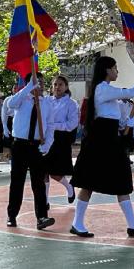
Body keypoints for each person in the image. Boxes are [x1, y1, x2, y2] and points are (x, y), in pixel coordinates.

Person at [70, 56, 134, 237]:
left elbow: (118, 118)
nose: (117, 71)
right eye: (115, 68)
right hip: (99, 142)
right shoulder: (102, 89)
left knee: (121, 179)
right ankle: (77, 223)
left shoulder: (107, 93)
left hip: (110, 140)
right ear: (107, 70)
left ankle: (132, 223)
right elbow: (126, 93)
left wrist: (128, 122)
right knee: (89, 182)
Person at [6, 72, 56, 230]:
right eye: (36, 81)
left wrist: (47, 145)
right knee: (17, 182)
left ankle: (41, 216)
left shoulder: (46, 103)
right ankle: (12, 215)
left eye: (41, 82)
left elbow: (50, 126)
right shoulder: (22, 99)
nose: (40, 84)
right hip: (20, 145)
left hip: (36, 146)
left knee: (39, 183)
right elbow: (10, 104)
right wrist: (28, 88)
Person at [44, 75, 78, 207]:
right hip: (46, 137)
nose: (57, 87)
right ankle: (45, 201)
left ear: (66, 87)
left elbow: (72, 123)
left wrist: (55, 125)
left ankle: (69, 187)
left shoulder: (71, 103)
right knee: (43, 171)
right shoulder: (46, 101)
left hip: (60, 139)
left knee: (55, 173)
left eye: (60, 85)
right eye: (55, 85)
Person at [118, 97, 134, 165]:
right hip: (122, 126)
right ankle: (122, 158)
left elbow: (133, 115)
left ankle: (128, 157)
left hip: (130, 125)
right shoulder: (118, 103)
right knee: (122, 144)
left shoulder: (131, 104)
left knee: (128, 144)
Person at [2, 85, 17, 150]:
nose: (16, 89)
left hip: (19, 121)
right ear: (12, 89)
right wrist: (5, 126)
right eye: (14, 88)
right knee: (10, 143)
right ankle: (10, 159)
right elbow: (4, 113)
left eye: (17, 88)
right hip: (10, 120)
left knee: (17, 142)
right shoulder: (7, 99)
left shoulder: (24, 99)